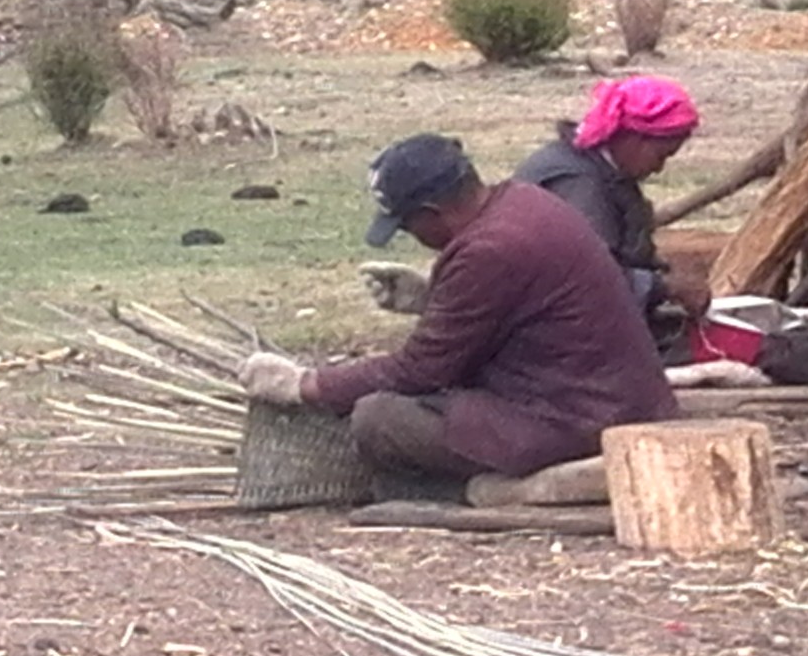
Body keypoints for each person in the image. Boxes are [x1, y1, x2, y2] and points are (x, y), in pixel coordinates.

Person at [238, 133, 677, 494]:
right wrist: (432, 300)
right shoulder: (522, 202)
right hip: (609, 399)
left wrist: (306, 384)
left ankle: (498, 491)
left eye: (408, 226)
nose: (411, 236)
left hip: (581, 420)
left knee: (379, 419)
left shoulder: (487, 250)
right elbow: (509, 314)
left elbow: (420, 371)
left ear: (432, 214)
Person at [361, 76, 708, 347]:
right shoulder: (580, 186)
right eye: (661, 156)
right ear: (633, 139)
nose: (660, 169)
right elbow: (594, 285)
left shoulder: (593, 169)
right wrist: (667, 288)